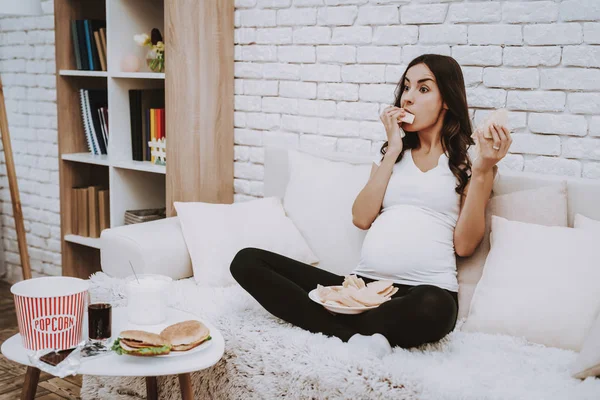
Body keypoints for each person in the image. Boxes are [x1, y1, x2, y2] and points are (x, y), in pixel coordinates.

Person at [230, 54, 512, 357]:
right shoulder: (392, 155)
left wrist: (483, 170)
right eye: (406, 88)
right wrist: (393, 149)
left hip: (423, 292)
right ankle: (352, 335)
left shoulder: (471, 162)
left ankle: (332, 326)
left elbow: (465, 246)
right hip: (359, 288)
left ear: (447, 100)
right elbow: (362, 218)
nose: (408, 98)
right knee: (247, 262)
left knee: (435, 308)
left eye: (423, 89)